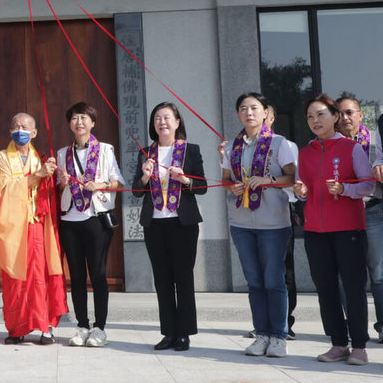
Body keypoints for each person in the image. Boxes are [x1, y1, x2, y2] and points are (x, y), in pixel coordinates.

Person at [293, 94, 374, 365]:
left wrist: (345, 189)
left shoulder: (352, 148)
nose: (315, 121)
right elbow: (301, 189)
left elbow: (368, 186)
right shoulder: (304, 153)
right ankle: (338, 343)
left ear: (335, 117)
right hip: (316, 230)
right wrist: (301, 192)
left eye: (321, 115)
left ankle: (360, 345)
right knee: (325, 289)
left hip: (349, 228)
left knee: (353, 288)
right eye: (310, 117)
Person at [221, 93, 296, 358]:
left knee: (274, 280)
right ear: (238, 115)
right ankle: (261, 333)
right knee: (254, 281)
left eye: (254, 108)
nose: (249, 112)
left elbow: (292, 178)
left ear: (266, 113)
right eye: (243, 108)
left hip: (273, 223)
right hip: (241, 222)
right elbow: (226, 180)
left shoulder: (280, 144)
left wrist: (266, 180)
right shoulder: (231, 146)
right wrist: (234, 187)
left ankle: (278, 335)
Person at [132, 102, 206, 352]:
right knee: (162, 280)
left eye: (166, 118)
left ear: (177, 122)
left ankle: (184, 333)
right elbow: (136, 191)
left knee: (183, 279)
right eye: (157, 119)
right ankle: (168, 333)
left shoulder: (190, 151)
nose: (161, 122)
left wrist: (184, 178)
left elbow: (203, 187)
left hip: (182, 223)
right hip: (155, 223)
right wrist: (144, 175)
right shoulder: (146, 153)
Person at [0, 113, 67, 345]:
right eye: (15, 126)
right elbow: (2, 189)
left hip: (39, 227)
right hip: (15, 228)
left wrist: (57, 179)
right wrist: (37, 176)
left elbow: (54, 194)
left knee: (42, 276)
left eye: (25, 127)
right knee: (16, 278)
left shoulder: (43, 158)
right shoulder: (2, 158)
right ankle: (17, 328)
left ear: (34, 133)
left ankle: (46, 327)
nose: (19, 130)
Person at [56, 102, 124, 347]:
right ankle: (82, 325)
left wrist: (101, 184)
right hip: (70, 219)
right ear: (70, 124)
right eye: (74, 118)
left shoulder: (105, 149)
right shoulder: (63, 153)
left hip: (96, 218)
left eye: (84, 117)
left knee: (97, 274)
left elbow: (117, 181)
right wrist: (62, 182)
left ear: (92, 122)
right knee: (76, 275)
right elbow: (57, 187)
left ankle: (100, 328)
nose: (79, 122)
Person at [336, 97, 383, 343]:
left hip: (373, 211)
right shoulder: (331, 146)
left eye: (349, 112)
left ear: (360, 115)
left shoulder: (376, 143)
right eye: (340, 113)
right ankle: (352, 326)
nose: (344, 117)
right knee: (346, 275)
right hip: (343, 212)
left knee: (378, 273)